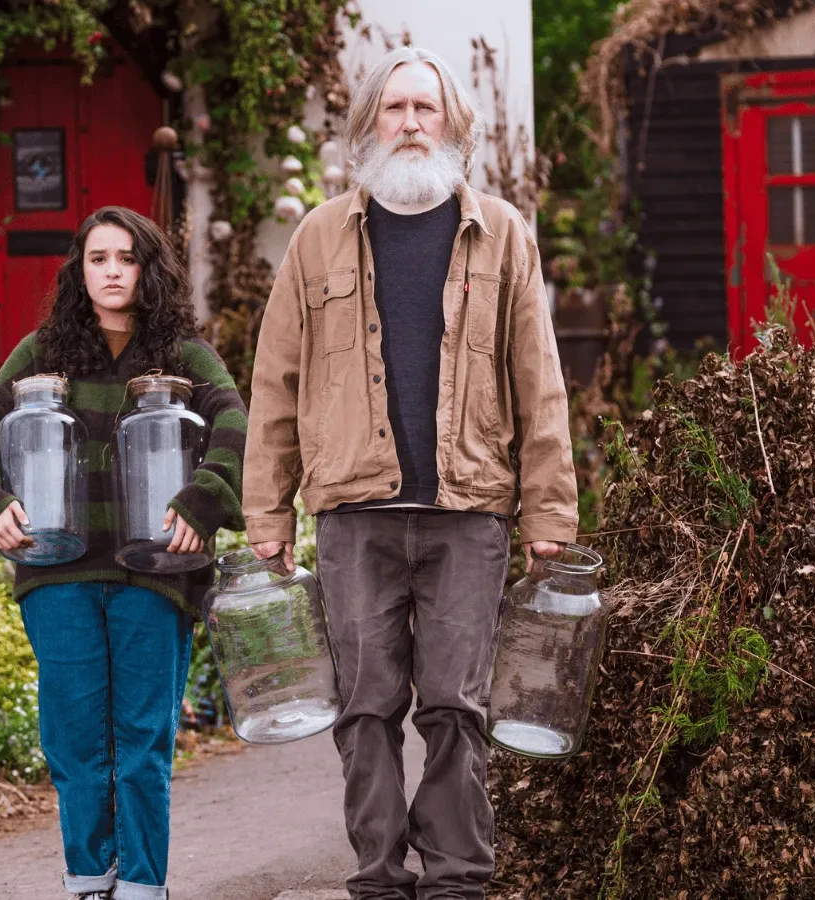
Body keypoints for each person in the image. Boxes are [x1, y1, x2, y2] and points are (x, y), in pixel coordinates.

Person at [242, 46, 578, 900]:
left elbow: (539, 384)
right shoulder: (318, 238)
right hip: (354, 512)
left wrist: (550, 514)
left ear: (454, 126)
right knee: (364, 706)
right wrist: (267, 513)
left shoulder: (502, 233)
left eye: (427, 108)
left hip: (469, 512)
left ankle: (459, 878)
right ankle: (380, 876)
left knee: (458, 707)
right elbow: (275, 381)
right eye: (394, 109)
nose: (412, 123)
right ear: (368, 128)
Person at [0, 206, 246, 900]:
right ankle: (89, 879)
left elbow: (235, 423)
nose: (112, 272)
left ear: (149, 270)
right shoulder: (42, 351)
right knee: (76, 742)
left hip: (157, 569)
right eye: (98, 259)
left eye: (126, 259)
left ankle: (143, 886)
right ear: (79, 271)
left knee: (142, 743)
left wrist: (202, 501)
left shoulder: (182, 353)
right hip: (58, 571)